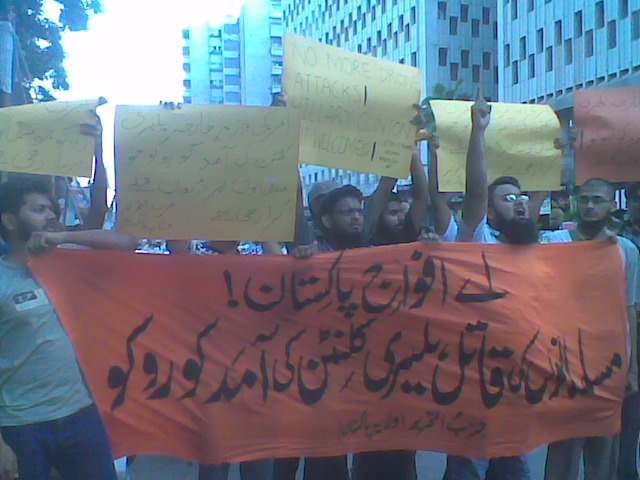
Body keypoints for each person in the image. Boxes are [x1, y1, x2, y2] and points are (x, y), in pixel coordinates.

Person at [0, 177, 138, 480]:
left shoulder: (68, 260)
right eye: (38, 210)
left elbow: (129, 243)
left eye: (52, 209)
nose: (50, 215)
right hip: (20, 425)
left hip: (81, 415)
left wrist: (61, 237)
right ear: (9, 221)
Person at [443, 92, 533, 480]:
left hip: (517, 382)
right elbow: (476, 192)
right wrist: (478, 132)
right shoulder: (478, 241)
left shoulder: (546, 248)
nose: (520, 203)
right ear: (491, 213)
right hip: (472, 381)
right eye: (509, 198)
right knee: (468, 468)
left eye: (522, 197)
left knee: (512, 467)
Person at [542, 178, 640, 480]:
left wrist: (632, 369)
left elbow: (629, 311)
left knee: (602, 453)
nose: (589, 206)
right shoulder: (555, 243)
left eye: (597, 200)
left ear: (611, 205)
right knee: (563, 449)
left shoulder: (625, 251)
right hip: (564, 362)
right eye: (584, 199)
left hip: (607, 364)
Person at [618, 181, 640, 480]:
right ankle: (625, 470)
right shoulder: (617, 240)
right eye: (637, 199)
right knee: (629, 407)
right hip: (629, 327)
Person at [369, 148, 429, 247]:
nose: (401, 218)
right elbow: (383, 191)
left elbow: (421, 197)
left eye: (402, 212)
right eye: (393, 213)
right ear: (379, 216)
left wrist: (413, 154)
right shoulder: (370, 235)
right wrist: (399, 151)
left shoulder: (408, 232)